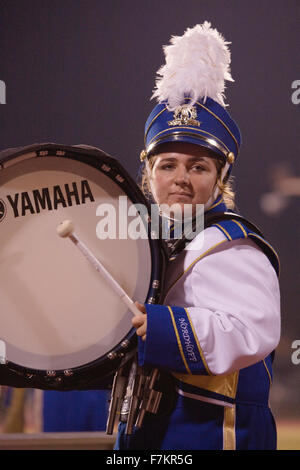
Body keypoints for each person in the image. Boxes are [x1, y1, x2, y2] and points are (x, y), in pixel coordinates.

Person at [114, 22, 281, 450]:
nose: (181, 179)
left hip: (217, 431)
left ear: (220, 178)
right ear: (148, 176)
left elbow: (251, 333)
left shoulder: (235, 244)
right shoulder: (148, 241)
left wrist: (161, 328)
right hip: (154, 429)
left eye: (199, 167)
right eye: (167, 165)